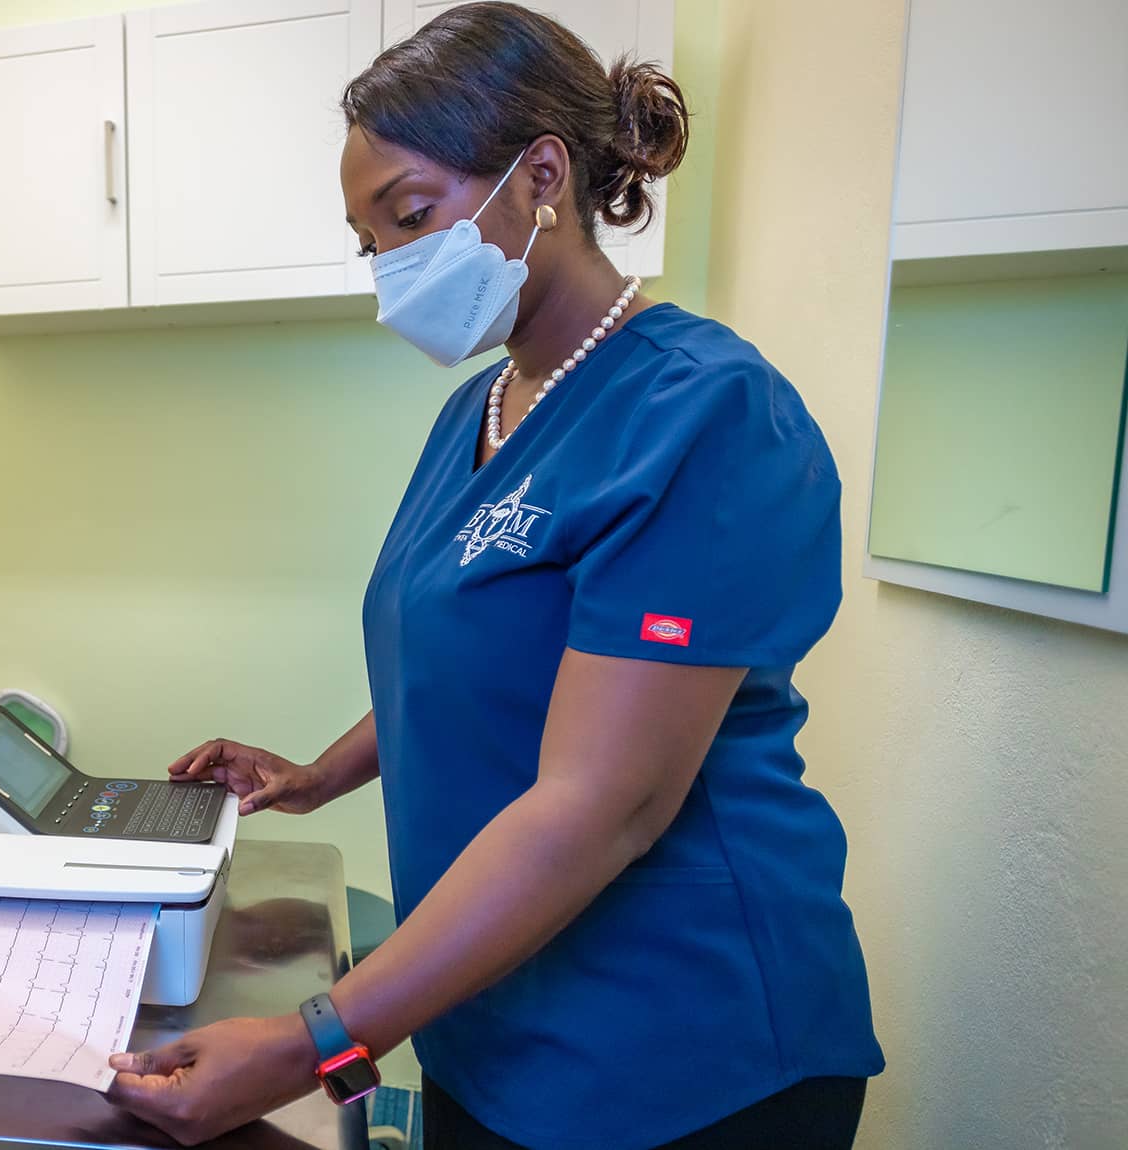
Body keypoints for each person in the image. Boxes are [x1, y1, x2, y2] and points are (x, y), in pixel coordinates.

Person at [106, 5, 884, 1148]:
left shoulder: (702, 411)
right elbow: (474, 652)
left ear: (542, 178)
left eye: (410, 217)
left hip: (682, 1051)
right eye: (370, 241)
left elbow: (601, 802)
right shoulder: (478, 411)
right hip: (483, 1012)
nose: (388, 269)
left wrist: (312, 1038)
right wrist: (322, 773)